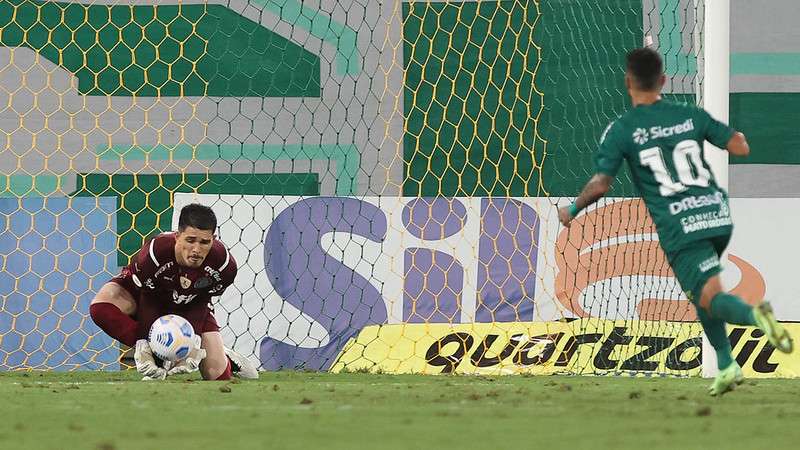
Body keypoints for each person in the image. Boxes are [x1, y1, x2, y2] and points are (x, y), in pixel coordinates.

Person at [558, 47, 792, 395]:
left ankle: (757, 317)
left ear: (627, 82)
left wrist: (572, 210)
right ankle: (727, 365)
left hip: (681, 226)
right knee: (702, 293)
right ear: (664, 80)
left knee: (710, 297)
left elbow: (601, 183)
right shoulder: (690, 114)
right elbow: (740, 146)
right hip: (715, 214)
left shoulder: (622, 130)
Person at [89, 203, 258, 381]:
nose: (196, 249)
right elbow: (149, 300)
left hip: (189, 304)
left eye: (204, 242)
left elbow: (201, 301)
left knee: (217, 376)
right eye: (190, 240)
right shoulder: (154, 253)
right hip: (142, 295)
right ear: (177, 237)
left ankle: (226, 357)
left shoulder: (224, 266)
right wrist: (144, 344)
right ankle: (159, 354)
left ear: (213, 239)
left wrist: (193, 342)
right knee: (101, 308)